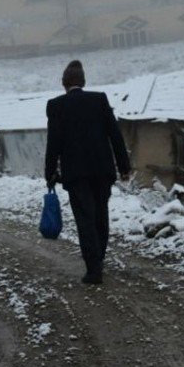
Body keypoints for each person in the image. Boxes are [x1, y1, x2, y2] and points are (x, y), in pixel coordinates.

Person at [45, 60, 131, 284]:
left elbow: (53, 143)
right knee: (101, 214)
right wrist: (124, 166)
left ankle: (94, 269)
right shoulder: (99, 100)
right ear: (83, 82)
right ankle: (99, 257)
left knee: (85, 219)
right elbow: (115, 135)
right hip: (103, 170)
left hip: (76, 174)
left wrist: (50, 172)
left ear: (64, 84)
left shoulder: (56, 106)